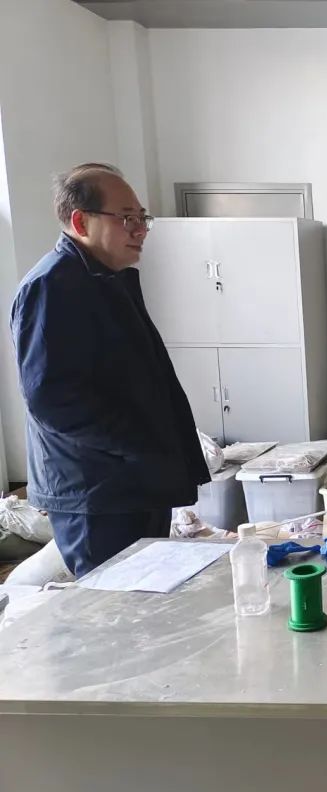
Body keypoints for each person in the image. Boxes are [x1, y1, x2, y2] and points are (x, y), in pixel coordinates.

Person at [9, 163, 209, 578]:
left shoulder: (104, 278)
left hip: (132, 482)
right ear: (81, 221)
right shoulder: (52, 286)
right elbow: (52, 399)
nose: (140, 230)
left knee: (148, 594)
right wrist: (140, 443)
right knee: (114, 601)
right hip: (98, 492)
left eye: (142, 218)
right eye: (127, 218)